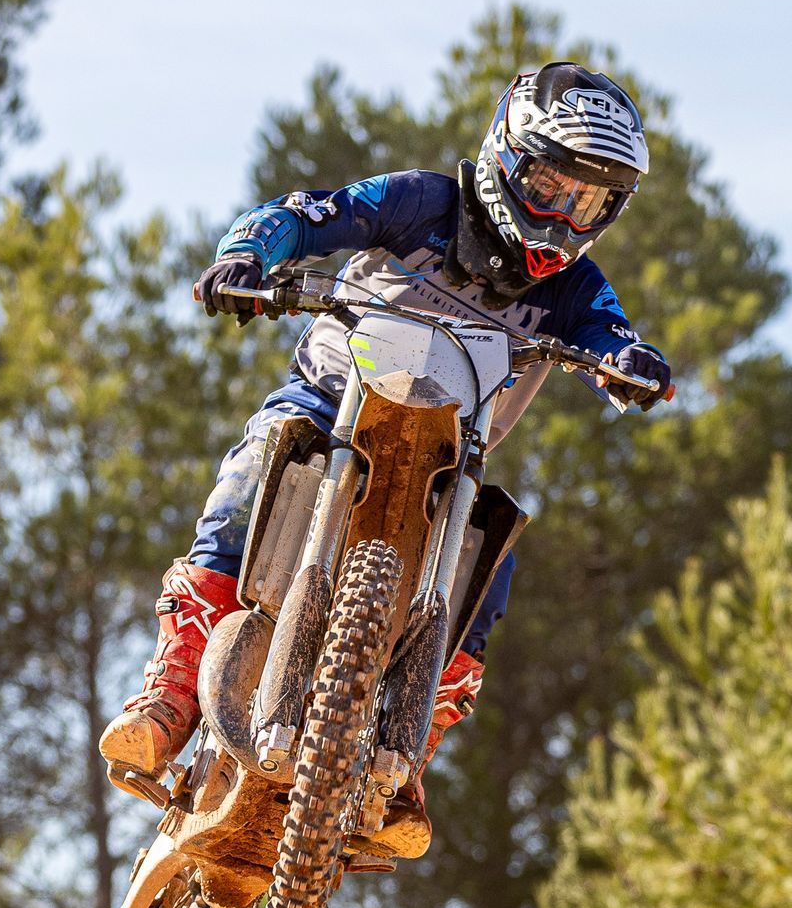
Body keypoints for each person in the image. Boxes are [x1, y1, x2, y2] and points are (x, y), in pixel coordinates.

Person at [98, 62, 671, 832]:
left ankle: (405, 759)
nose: (562, 216)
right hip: (330, 404)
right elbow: (309, 214)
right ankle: (168, 697)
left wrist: (631, 364)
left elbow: (611, 335)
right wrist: (249, 255)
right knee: (251, 472)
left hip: (450, 455)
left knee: (494, 555)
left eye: (588, 201)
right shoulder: (420, 203)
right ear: (507, 156)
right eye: (549, 187)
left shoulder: (575, 288)